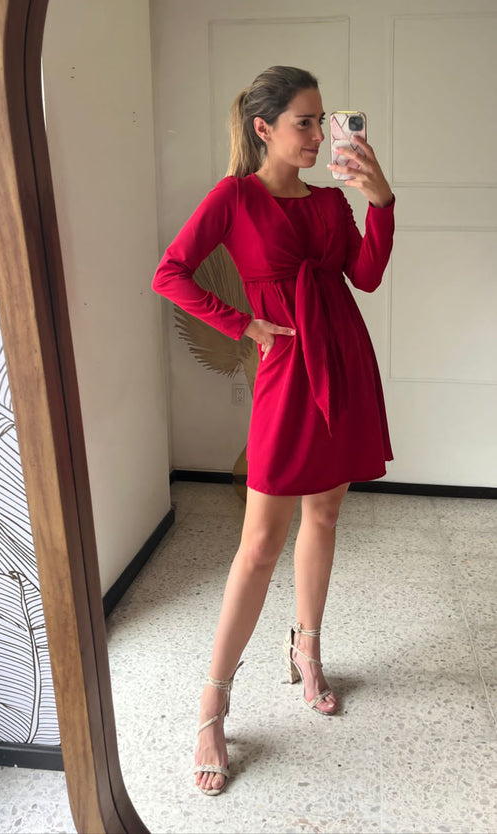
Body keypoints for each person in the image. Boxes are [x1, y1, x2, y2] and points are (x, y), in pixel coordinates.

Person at [152, 66, 395, 796]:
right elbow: (171, 273)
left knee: (325, 514)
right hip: (288, 371)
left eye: (324, 121)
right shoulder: (234, 197)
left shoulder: (329, 201)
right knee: (258, 545)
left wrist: (380, 201)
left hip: (344, 363)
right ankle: (212, 702)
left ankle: (307, 651)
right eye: (305, 122)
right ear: (263, 127)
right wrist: (242, 324)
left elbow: (365, 276)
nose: (319, 135)